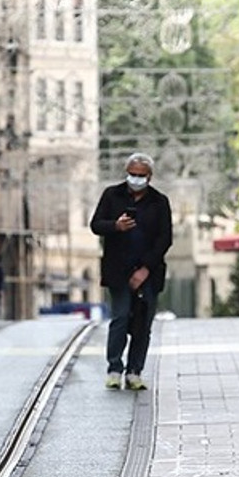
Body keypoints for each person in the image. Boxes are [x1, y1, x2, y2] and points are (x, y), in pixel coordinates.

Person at [90, 152, 173, 391]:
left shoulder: (159, 201)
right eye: (132, 174)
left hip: (149, 272)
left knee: (143, 323)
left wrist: (146, 268)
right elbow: (96, 224)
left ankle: (135, 371)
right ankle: (114, 368)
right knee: (120, 317)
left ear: (150, 176)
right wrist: (115, 226)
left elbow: (164, 238)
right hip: (118, 270)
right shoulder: (112, 195)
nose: (136, 179)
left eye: (141, 175)